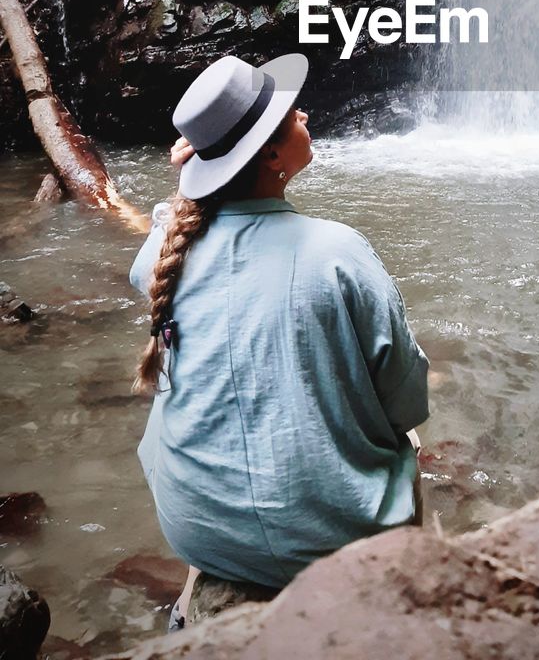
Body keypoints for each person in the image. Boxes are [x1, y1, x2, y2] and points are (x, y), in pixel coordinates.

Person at [129, 52, 429, 628]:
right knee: (404, 435)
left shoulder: (168, 253)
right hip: (329, 543)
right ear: (270, 153)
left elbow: (167, 235)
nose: (307, 115)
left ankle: (195, 611)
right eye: (293, 114)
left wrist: (191, 184)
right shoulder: (337, 252)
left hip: (198, 530)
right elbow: (408, 402)